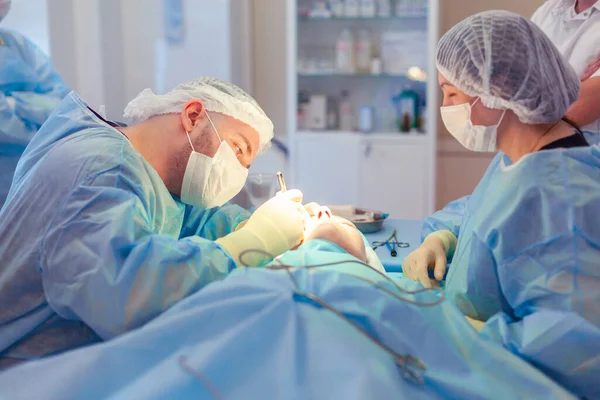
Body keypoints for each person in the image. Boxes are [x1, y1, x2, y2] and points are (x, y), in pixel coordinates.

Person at [0, 214, 576, 400]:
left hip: (323, 305)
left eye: (331, 224)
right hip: (265, 295)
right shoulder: (273, 270)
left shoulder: (368, 279)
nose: (318, 222)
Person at [0, 77, 309, 370]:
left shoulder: (151, 175)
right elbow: (127, 294)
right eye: (238, 148)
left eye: (246, 165)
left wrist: (271, 222)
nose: (237, 172)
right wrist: (256, 241)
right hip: (26, 375)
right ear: (193, 116)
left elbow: (197, 221)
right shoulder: (101, 170)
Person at [402, 11, 600, 398]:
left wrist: (470, 336)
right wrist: (443, 236)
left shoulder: (559, 197)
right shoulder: (522, 158)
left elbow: (576, 348)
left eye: (451, 93)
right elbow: (484, 211)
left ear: (499, 89)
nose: (446, 107)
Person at [0, 0, 70, 209]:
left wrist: (13, 104)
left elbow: (63, 104)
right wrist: (38, 114)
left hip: (32, 183)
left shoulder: (15, 43)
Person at [532, 0, 600, 143]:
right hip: (527, 155)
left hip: (585, 160)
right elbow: (508, 93)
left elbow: (577, 110)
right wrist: (570, 88)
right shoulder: (549, 10)